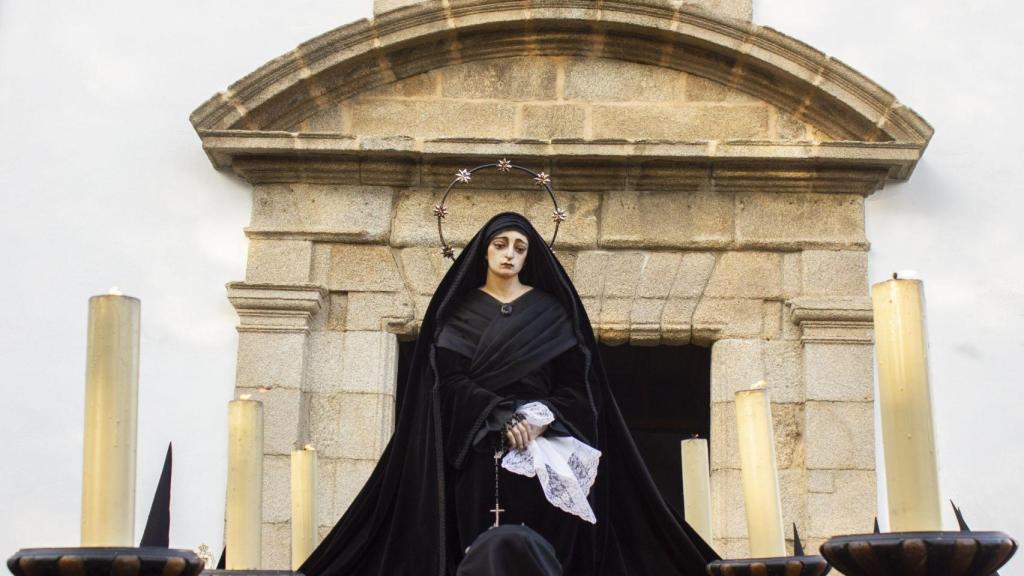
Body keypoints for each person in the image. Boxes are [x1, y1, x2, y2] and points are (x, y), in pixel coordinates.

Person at [300, 212, 717, 576]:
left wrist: (539, 418)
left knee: (542, 551)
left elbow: (578, 386)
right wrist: (499, 416)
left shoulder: (552, 313)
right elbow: (446, 383)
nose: (509, 254)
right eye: (500, 244)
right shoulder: (457, 312)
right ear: (484, 251)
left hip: (543, 456)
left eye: (520, 247)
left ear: (528, 256)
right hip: (480, 454)